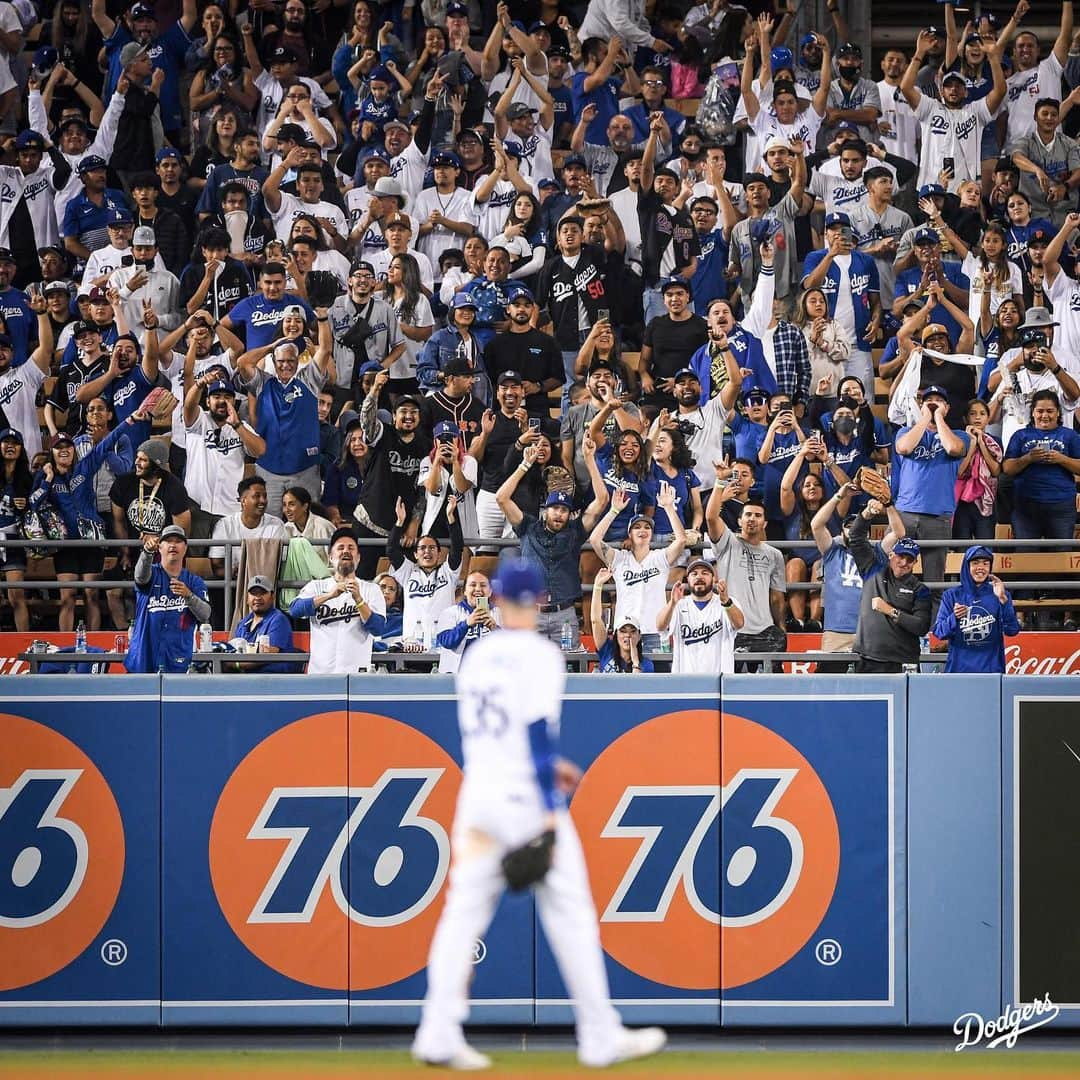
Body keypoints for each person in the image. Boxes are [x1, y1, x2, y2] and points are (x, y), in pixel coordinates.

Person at [412, 556, 667, 1072]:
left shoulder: (479, 656)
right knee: (571, 915)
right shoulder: (540, 654)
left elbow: (505, 735)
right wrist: (551, 810)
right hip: (526, 800)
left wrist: (552, 768)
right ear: (540, 601)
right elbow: (532, 734)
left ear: (498, 598)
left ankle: (436, 1032)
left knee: (461, 917)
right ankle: (599, 1035)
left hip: (480, 795)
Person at [495, 441, 608, 647]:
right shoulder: (527, 526)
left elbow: (602, 500)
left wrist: (590, 460)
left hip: (564, 614)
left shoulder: (575, 531)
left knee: (570, 672)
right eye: (554, 508)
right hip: (532, 614)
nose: (559, 513)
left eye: (564, 509)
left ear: (568, 513)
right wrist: (525, 465)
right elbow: (501, 498)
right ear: (546, 509)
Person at [811, 486, 907, 662]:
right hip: (836, 630)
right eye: (848, 527)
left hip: (871, 628)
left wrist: (888, 504)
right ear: (841, 532)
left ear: (866, 532)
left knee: (872, 684)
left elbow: (899, 533)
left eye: (856, 526)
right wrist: (838, 496)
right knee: (835, 684)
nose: (852, 529)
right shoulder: (833, 551)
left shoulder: (877, 552)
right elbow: (816, 524)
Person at [589, 486, 686, 651]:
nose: (643, 530)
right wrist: (613, 511)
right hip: (625, 633)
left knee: (659, 676)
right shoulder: (619, 559)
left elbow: (681, 540)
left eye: (647, 527)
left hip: (655, 633)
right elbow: (595, 540)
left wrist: (669, 508)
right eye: (637, 527)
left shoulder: (660, 557)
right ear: (630, 534)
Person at [705, 487, 787, 667]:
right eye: (748, 515)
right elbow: (711, 517)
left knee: (764, 689)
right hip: (731, 629)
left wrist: (781, 629)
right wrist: (719, 484)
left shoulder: (775, 555)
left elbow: (777, 597)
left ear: (765, 523)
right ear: (739, 520)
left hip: (765, 631)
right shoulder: (727, 542)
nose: (752, 519)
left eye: (758, 516)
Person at [288, 526, 387, 673]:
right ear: (331, 557)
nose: (346, 551)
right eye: (340, 547)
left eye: (351, 548)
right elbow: (294, 610)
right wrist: (328, 595)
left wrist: (359, 600)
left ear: (358, 557)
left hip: (356, 674)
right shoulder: (317, 586)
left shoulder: (371, 589)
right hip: (321, 673)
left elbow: (378, 628)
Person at [124, 524, 211, 674]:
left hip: (178, 661)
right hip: (143, 658)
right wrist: (146, 553)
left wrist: (188, 596)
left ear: (185, 548)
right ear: (160, 547)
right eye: (168, 541)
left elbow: (205, 614)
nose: (173, 545)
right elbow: (140, 577)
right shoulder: (151, 573)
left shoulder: (194, 582)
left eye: (178, 541)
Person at [846, 524, 931, 673]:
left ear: (915, 563)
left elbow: (921, 626)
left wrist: (891, 611)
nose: (904, 563)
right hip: (868, 659)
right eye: (901, 556)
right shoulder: (872, 571)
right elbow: (855, 536)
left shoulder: (920, 589)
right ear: (891, 555)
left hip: (903, 662)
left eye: (909, 560)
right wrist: (866, 514)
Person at [933, 546, 1020, 674]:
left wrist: (1003, 600)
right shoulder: (951, 595)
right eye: (975, 563)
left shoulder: (1000, 594)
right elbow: (939, 632)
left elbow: (1012, 630)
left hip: (991, 674)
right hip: (958, 672)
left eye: (985, 564)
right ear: (966, 567)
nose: (981, 567)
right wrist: (954, 618)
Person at [655, 557, 744, 674]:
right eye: (694, 574)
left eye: (705, 573)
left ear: (713, 579)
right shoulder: (678, 605)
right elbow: (660, 626)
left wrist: (726, 601)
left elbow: (739, 624)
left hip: (718, 681)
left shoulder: (727, 602)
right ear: (688, 580)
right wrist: (672, 604)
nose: (699, 577)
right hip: (685, 681)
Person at [588, 566, 654, 673]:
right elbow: (595, 620)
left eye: (632, 632)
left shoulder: (647, 664)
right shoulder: (607, 651)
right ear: (615, 635)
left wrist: (635, 662)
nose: (627, 635)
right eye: (623, 631)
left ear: (639, 636)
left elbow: (639, 688)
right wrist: (598, 585)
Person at [432, 569, 499, 674]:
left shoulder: (499, 614)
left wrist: (495, 629)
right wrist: (466, 624)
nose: (478, 589)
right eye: (472, 585)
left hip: (490, 678)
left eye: (483, 585)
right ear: (465, 591)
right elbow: (446, 642)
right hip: (456, 679)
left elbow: (512, 646)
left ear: (490, 591)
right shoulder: (450, 613)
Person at [228, 575, 296, 673]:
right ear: (247, 598)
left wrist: (235, 664)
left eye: (262, 593)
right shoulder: (243, 623)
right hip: (247, 680)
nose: (257, 598)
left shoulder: (278, 620)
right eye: (253, 593)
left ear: (272, 596)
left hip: (274, 681)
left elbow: (267, 656)